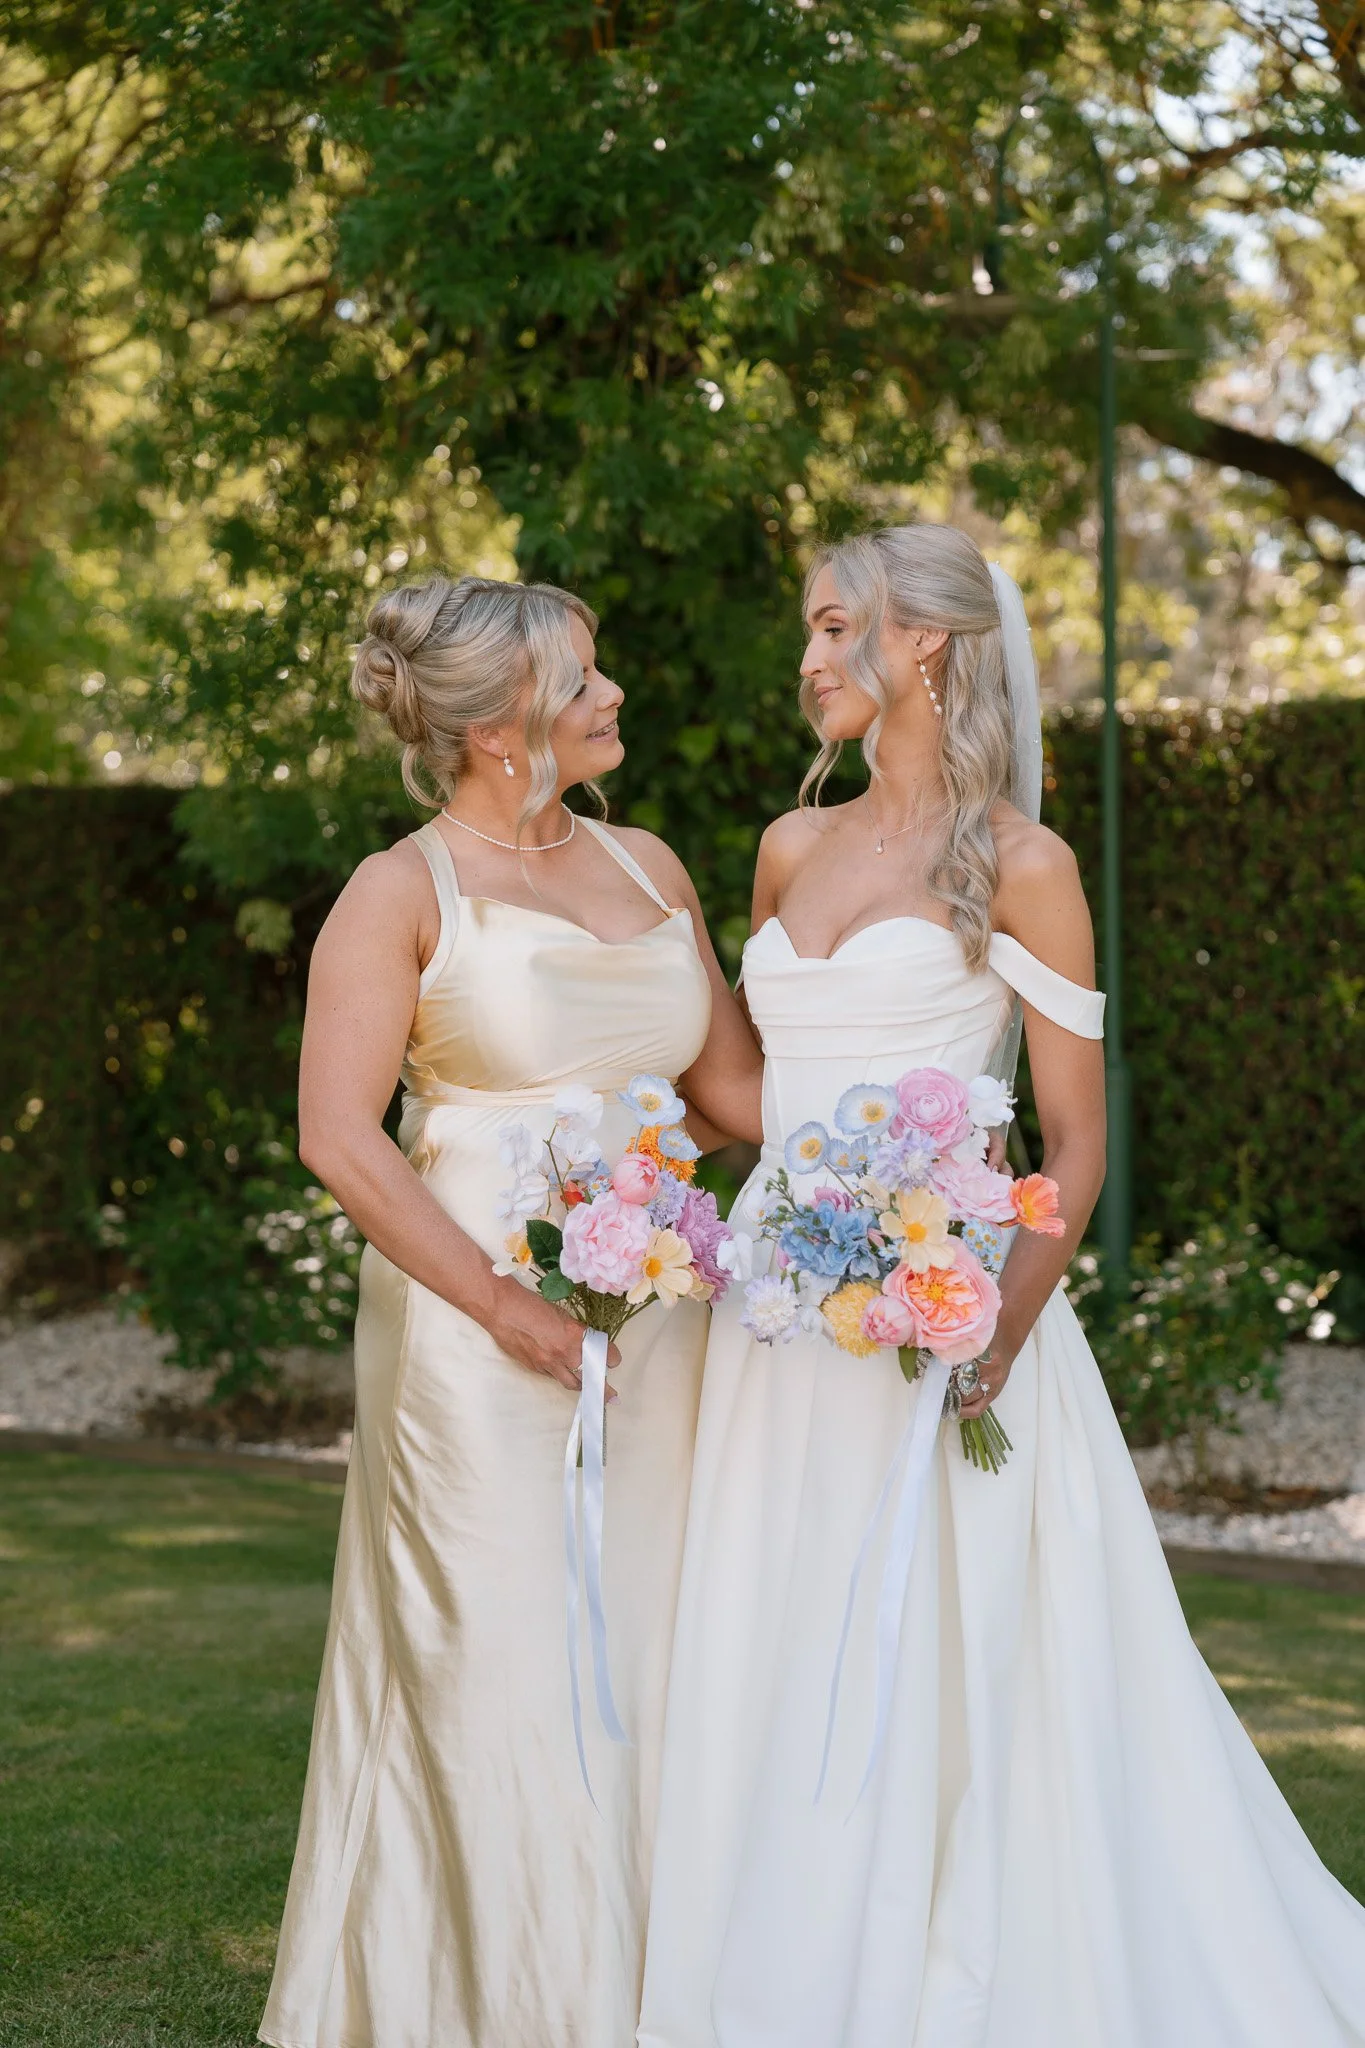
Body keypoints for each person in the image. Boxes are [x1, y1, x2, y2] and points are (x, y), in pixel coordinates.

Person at [638, 522, 1365, 2047]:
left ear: (926, 647)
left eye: (838, 629)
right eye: (809, 630)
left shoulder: (1023, 866)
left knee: (960, 1667)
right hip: (775, 1327)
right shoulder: (785, 847)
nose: (811, 659)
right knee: (771, 1637)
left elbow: (1077, 1148)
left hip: (941, 1328)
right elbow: (759, 1093)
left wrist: (995, 1329)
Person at [259, 574, 759, 2048]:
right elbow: (340, 1138)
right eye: (584, 677)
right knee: (503, 1667)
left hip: (656, 1316)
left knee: (655, 1652)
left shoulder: (652, 864)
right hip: (472, 1336)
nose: (613, 695)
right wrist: (501, 1308)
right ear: (498, 727)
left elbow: (729, 1098)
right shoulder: (400, 890)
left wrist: (905, 1113)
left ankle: (659, 1998)